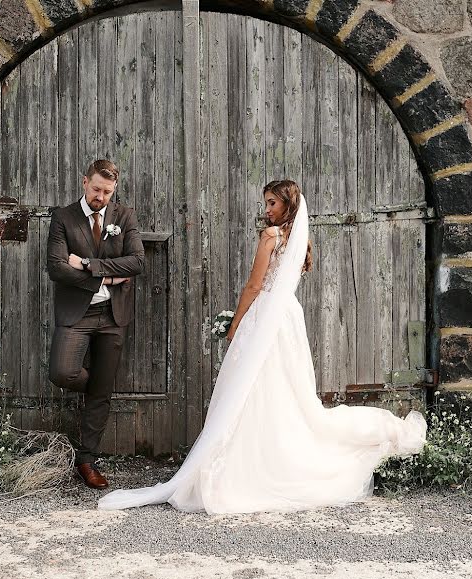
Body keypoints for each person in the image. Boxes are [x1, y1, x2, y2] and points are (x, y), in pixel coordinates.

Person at [98, 179, 426, 514]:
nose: (266, 210)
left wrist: (236, 323)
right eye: (266, 203)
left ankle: (250, 466)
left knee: (253, 386)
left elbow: (255, 284)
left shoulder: (271, 236)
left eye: (272, 203)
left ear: (288, 204)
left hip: (266, 315)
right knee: (281, 389)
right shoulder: (298, 239)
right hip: (287, 318)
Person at [46, 159, 144, 489]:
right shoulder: (63, 218)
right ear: (84, 182)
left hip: (114, 316)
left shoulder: (124, 216)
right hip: (77, 313)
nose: (101, 197)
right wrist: (106, 279)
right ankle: (98, 389)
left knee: (101, 392)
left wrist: (88, 264)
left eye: (107, 192)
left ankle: (86, 460)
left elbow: (137, 261)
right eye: (97, 189)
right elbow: (57, 268)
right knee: (62, 372)